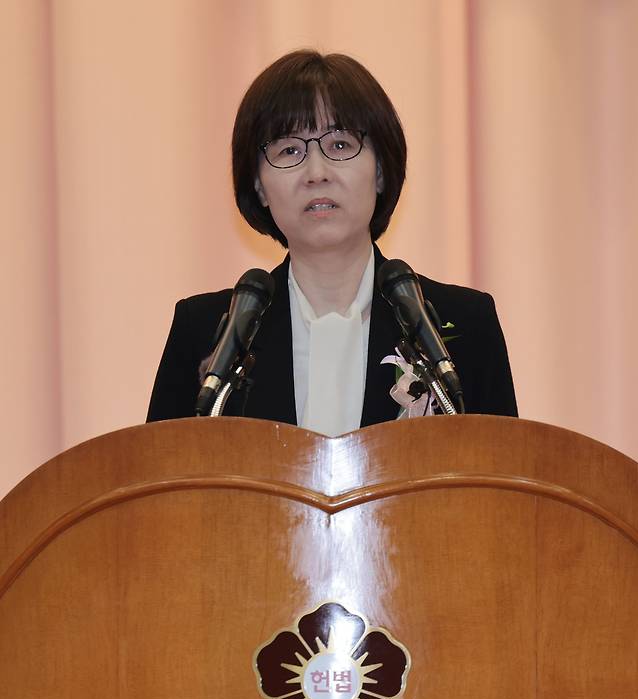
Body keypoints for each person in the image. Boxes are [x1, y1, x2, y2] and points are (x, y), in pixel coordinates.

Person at [147, 50, 517, 431]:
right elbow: (157, 483)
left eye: (340, 145)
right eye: (289, 149)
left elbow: (505, 483)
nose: (316, 172)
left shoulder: (465, 327)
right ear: (258, 186)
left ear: (380, 171)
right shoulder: (206, 333)